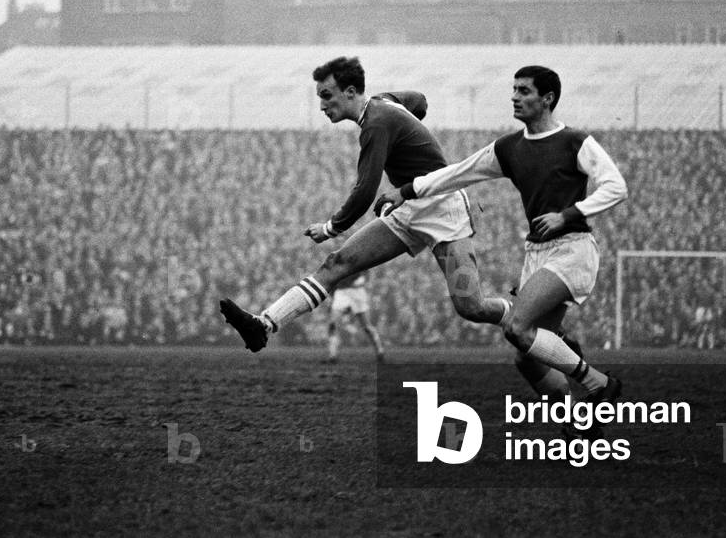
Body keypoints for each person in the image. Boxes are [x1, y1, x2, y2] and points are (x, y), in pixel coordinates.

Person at [379, 65, 628, 413]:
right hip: (537, 253)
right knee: (527, 359)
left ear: (548, 98)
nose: (515, 97)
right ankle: (579, 420)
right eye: (514, 90)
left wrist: (568, 214)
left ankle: (598, 383)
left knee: (517, 327)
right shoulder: (510, 147)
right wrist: (406, 190)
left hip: (573, 250)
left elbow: (616, 186)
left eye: (524, 91)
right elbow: (458, 173)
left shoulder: (574, 141)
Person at [219, 56, 510, 351]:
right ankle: (264, 325)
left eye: (326, 95)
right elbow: (419, 101)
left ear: (349, 92)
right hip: (408, 206)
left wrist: (330, 228)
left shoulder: (376, 124)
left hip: (444, 211)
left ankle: (523, 316)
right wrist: (410, 130)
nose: (321, 105)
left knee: (472, 307)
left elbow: (365, 191)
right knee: (337, 263)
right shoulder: (384, 105)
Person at [323, 272, 384, 363]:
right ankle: (333, 355)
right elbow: (332, 275)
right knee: (333, 324)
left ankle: (380, 350)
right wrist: (332, 295)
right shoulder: (335, 259)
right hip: (341, 292)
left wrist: (364, 279)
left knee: (366, 326)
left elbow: (367, 270)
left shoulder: (358, 258)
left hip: (356, 291)